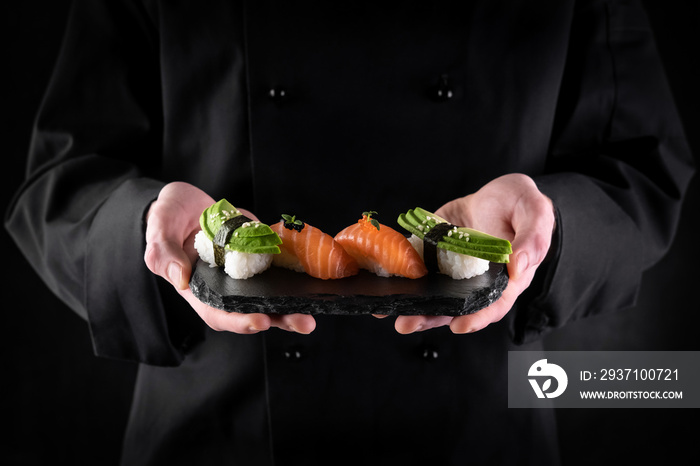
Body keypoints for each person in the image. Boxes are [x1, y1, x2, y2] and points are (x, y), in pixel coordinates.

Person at [5, 0, 694, 464]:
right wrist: (147, 230)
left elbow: (641, 166)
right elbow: (61, 180)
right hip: (217, 424)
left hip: (480, 424)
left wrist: (549, 229)